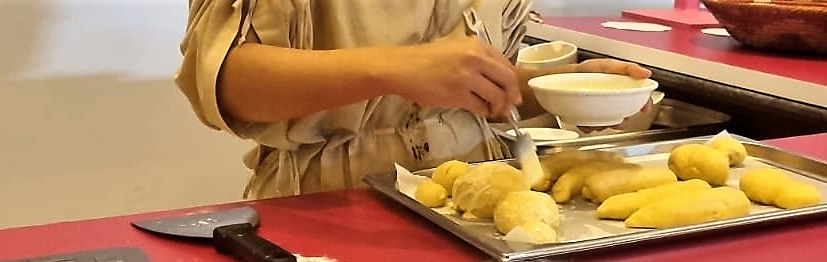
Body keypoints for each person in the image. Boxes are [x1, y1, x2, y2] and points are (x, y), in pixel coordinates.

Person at [176, 1, 651, 199]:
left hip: (477, 201)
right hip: (332, 203)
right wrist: (395, 70)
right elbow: (228, 86)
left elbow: (458, 88)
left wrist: (560, 87)